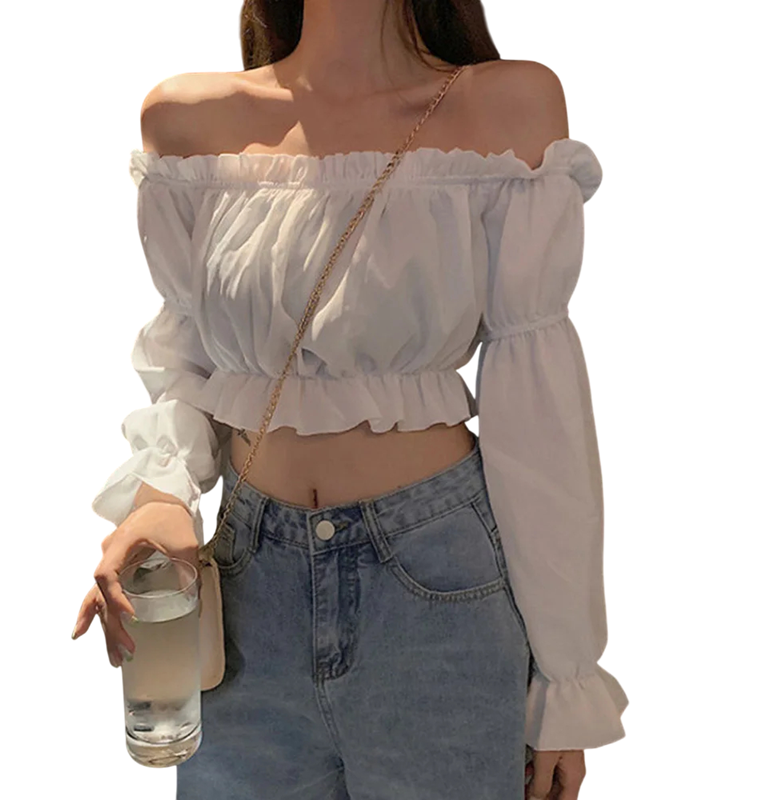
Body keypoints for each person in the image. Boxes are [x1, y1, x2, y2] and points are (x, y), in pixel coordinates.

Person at [72, 1, 628, 798]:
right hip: (247, 591)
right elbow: (188, 354)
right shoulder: (189, 122)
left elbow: (537, 407)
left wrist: (566, 679)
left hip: (436, 589)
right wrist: (161, 495)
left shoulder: (507, 107)